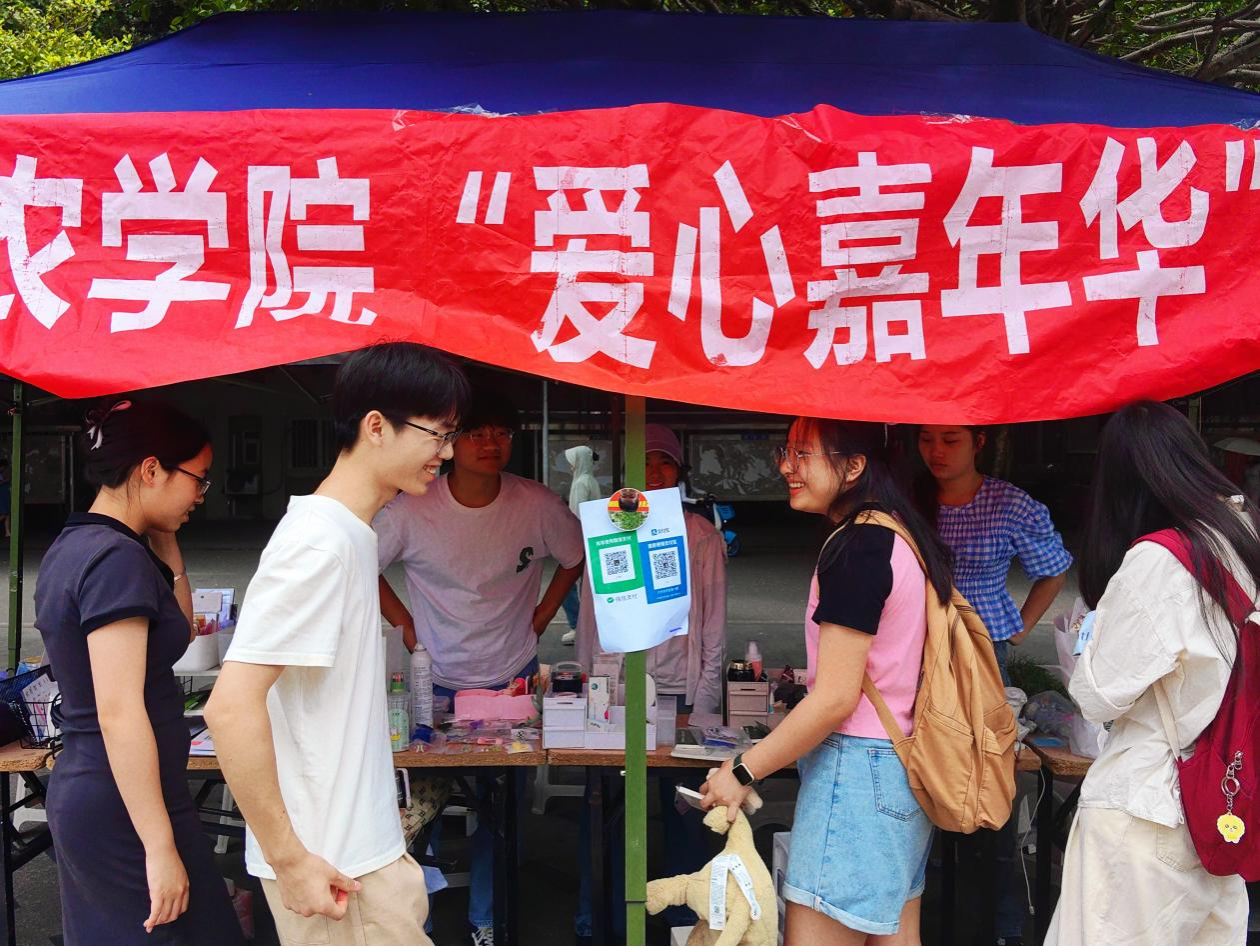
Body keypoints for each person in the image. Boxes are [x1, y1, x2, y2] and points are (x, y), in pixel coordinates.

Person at [205, 343, 469, 946]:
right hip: (336, 873)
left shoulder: (350, 535)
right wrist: (290, 859)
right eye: (438, 434)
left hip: (359, 858)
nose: (448, 452)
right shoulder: (317, 543)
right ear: (375, 427)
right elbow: (230, 708)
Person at [702, 417, 952, 946]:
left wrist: (743, 771)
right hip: (898, 764)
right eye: (786, 452)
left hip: (857, 773)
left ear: (854, 466)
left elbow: (836, 698)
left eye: (803, 454)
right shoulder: (899, 533)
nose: (786, 467)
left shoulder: (859, 546)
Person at [375, 387, 584, 946]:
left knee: (501, 807)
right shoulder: (412, 508)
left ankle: (486, 918)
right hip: (435, 680)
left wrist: (543, 615)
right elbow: (360, 562)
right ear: (449, 441)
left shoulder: (535, 503)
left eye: (500, 433)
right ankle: (411, 921)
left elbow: (575, 556)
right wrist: (405, 624)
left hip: (510, 675)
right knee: (414, 807)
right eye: (475, 433)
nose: (490, 443)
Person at [1046, 401, 1258, 945]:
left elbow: (1099, 693)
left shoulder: (1162, 559)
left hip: (1150, 807)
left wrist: (1094, 627)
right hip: (1223, 803)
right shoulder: (1240, 537)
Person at [34, 399, 242, 945]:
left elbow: (179, 632)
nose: (201, 494)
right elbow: (119, 711)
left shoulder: (83, 545)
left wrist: (166, 540)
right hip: (122, 802)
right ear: (152, 469)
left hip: (121, 792)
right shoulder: (114, 560)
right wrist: (159, 847)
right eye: (198, 478)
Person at [572, 423, 728, 941]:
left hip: (680, 695)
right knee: (611, 815)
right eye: (645, 462)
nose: (654, 473)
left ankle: (686, 927)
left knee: (685, 813)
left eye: (665, 463)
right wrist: (594, 694)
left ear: (680, 472)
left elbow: (713, 628)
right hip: (619, 693)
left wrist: (703, 707)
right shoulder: (606, 529)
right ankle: (605, 923)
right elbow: (590, 621)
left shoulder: (700, 535)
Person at [916, 425, 1070, 945]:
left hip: (985, 657)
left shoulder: (1009, 504)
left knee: (988, 785)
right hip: (916, 654)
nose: (936, 451)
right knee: (921, 778)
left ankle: (1000, 924)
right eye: (926, 439)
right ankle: (925, 914)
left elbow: (1054, 569)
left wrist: (1020, 625)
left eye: (950, 440)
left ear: (978, 442)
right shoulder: (909, 497)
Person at [561, 444, 600, 645]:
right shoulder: (590, 480)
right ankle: (588, 627)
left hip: (578, 541)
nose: (570, 466)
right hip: (589, 539)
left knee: (565, 586)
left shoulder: (580, 483)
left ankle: (577, 626)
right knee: (586, 588)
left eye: (572, 461)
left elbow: (576, 516)